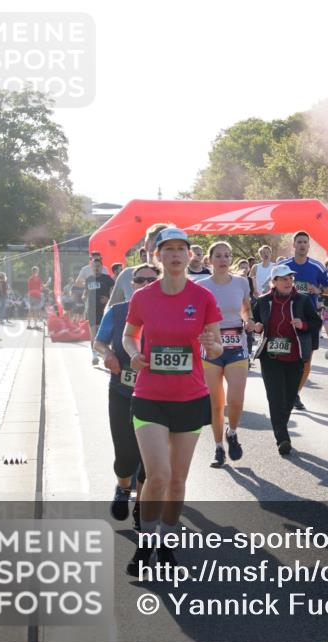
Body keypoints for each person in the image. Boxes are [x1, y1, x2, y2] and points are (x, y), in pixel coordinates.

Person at [121, 227, 223, 575]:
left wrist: (214, 347)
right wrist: (134, 353)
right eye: (169, 249)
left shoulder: (203, 297)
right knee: (158, 475)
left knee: (178, 479)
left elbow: (217, 342)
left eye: (183, 249)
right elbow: (129, 334)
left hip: (190, 397)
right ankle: (145, 545)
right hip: (149, 396)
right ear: (157, 255)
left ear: (190, 255)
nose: (176, 254)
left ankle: (166, 542)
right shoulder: (143, 297)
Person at [94, 263, 159, 528]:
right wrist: (107, 354)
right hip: (122, 391)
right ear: (131, 284)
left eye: (151, 280)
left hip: (158, 396)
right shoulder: (118, 311)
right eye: (140, 280)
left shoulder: (170, 313)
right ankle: (123, 487)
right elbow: (98, 342)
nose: (145, 284)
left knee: (150, 457)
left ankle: (141, 509)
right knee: (126, 455)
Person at [250, 264, 322, 455]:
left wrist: (303, 324)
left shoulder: (302, 300)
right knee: (275, 397)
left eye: (290, 278)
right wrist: (256, 327)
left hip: (295, 355)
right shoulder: (263, 301)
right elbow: (253, 321)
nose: (288, 282)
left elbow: (316, 322)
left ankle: (281, 426)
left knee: (289, 396)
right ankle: (282, 437)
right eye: (283, 279)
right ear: (274, 282)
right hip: (270, 355)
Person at [196, 242, 253, 467]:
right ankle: (218, 447)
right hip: (210, 348)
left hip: (236, 345)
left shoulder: (241, 282)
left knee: (236, 400)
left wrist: (248, 320)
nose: (223, 259)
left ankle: (233, 431)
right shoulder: (200, 286)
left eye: (227, 256)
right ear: (210, 260)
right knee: (216, 403)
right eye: (218, 256)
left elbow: (246, 308)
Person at [278, 232, 328, 410]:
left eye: (305, 242)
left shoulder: (316, 267)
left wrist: (317, 290)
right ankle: (282, 389)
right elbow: (269, 287)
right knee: (283, 357)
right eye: (299, 242)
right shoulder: (283, 265)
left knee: (306, 360)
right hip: (284, 316)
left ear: (308, 246)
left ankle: (295, 393)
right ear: (293, 245)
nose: (302, 245)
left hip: (308, 318)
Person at [108, 223, 171, 306]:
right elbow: (110, 310)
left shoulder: (179, 278)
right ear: (147, 245)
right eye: (156, 245)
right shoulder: (127, 275)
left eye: (166, 246)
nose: (159, 250)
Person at [86, 257, 116, 364]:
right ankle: (94, 356)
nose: (96, 268)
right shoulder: (88, 279)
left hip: (105, 310)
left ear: (102, 267)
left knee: (104, 335)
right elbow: (86, 295)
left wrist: (109, 299)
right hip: (92, 311)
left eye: (98, 266)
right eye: (94, 266)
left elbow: (115, 292)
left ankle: (105, 354)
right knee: (93, 334)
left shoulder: (107, 279)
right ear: (91, 267)